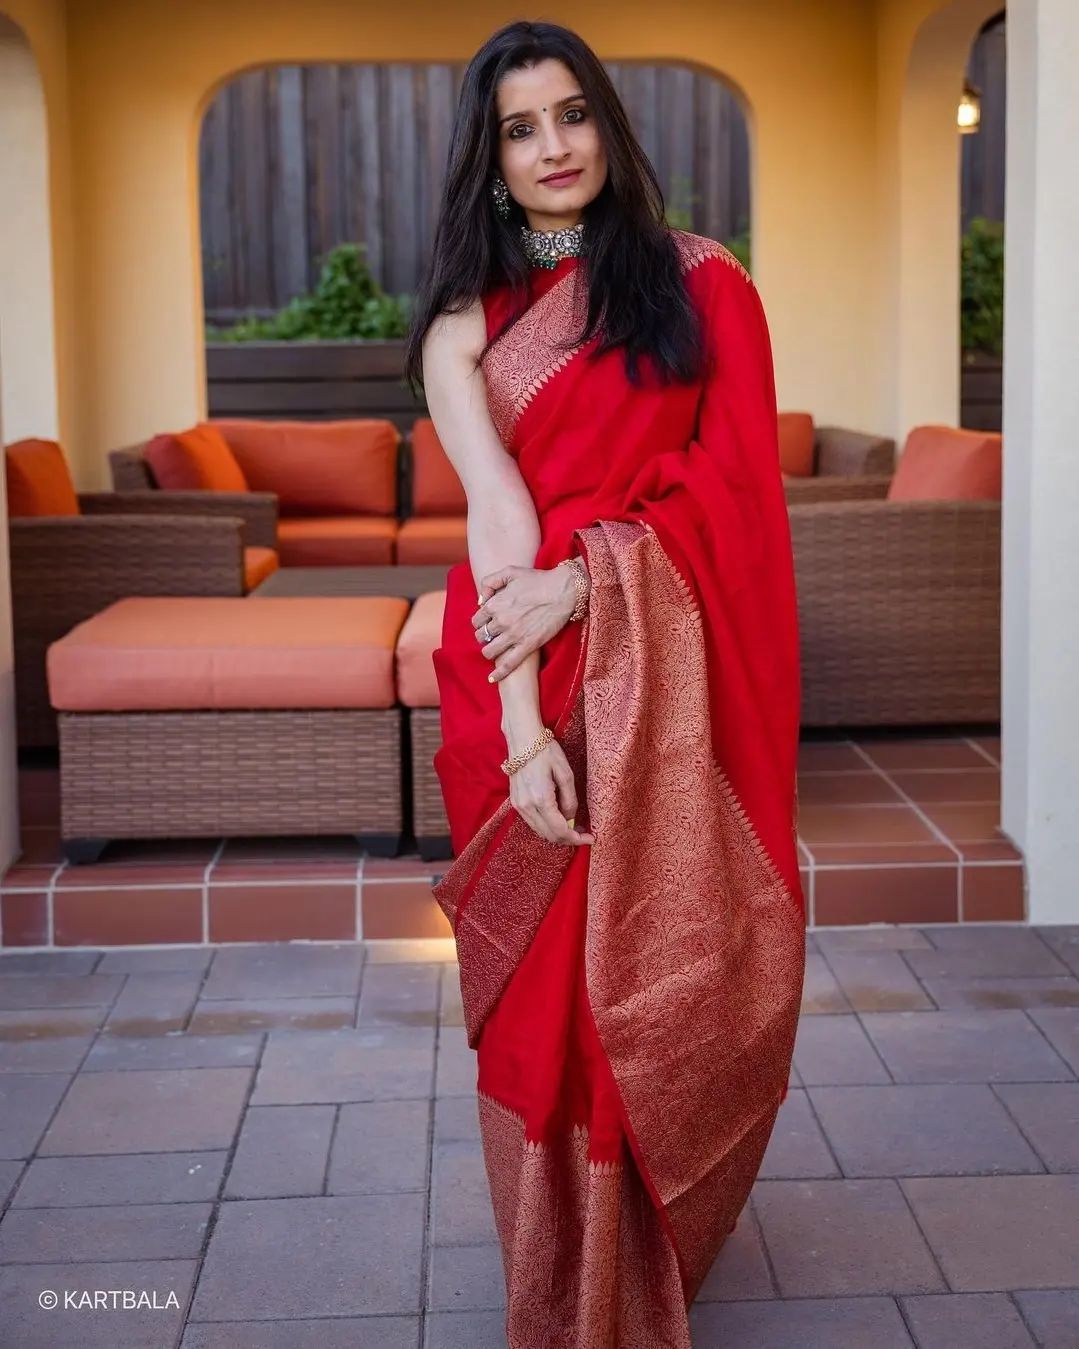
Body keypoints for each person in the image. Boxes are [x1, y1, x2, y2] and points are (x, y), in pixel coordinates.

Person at [403, 19, 806, 1348]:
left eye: (571, 114)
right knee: (549, 1001)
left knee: (641, 970)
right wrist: (521, 735)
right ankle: (562, 1273)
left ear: (607, 123)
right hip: (521, 669)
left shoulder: (704, 286)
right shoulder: (465, 322)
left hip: (658, 665)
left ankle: (643, 1243)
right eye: (521, 127)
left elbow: (736, 485)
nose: (553, 146)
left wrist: (597, 580)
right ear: (491, 154)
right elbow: (495, 521)